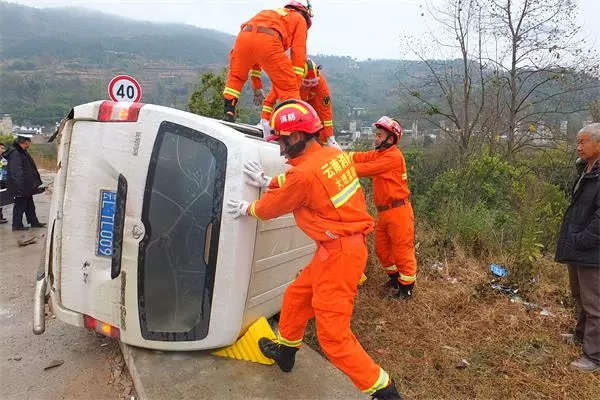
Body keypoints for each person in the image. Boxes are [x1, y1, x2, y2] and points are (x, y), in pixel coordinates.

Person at [226, 100, 403, 399]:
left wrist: (248, 207)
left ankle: (384, 391)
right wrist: (268, 180)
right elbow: (304, 180)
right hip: (337, 250)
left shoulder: (304, 175)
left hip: (341, 256)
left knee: (333, 337)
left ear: (296, 137)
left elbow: (273, 206)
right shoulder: (333, 155)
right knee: (296, 297)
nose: (280, 148)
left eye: (281, 140)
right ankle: (286, 351)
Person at [348, 117, 417, 299]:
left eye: (379, 135)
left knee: (402, 250)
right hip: (385, 212)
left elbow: (364, 169)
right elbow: (361, 157)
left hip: (399, 211)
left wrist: (335, 168)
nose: (376, 138)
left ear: (390, 138)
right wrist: (338, 155)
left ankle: (406, 289)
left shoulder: (393, 157)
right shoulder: (381, 154)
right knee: (382, 249)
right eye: (376, 135)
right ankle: (395, 280)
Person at [555, 123, 600, 373]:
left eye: (583, 142)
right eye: (577, 142)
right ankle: (582, 336)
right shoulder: (586, 169)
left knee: (595, 304)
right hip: (578, 246)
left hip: (592, 251)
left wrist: (582, 239)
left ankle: (594, 357)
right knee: (579, 296)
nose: (579, 147)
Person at [222, 1, 312, 122]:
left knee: (236, 76)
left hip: (243, 37)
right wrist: (295, 81)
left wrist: (256, 86)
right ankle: (293, 123)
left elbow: (256, 55)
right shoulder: (300, 19)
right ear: (304, 13)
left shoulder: (270, 13)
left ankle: (229, 111)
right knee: (288, 87)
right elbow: (298, 51)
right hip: (269, 41)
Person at [259, 58, 339, 148]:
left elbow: (326, 108)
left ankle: (323, 147)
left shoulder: (321, 83)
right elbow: (269, 101)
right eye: (307, 83)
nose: (311, 86)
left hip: (313, 105)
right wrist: (264, 120)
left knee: (319, 126)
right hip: (292, 105)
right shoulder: (286, 79)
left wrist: (330, 137)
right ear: (300, 77)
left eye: (313, 82)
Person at [4, 134, 46, 231]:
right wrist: (20, 187)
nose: (30, 143)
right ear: (25, 142)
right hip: (20, 186)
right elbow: (16, 171)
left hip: (26, 185)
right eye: (29, 141)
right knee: (20, 205)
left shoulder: (22, 152)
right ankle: (17, 225)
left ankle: (33, 222)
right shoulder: (16, 153)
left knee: (29, 205)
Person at [0, 142, 8, 224]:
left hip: (3, 180)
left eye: (3, 148)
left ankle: (0, 216)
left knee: (2, 199)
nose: (3, 150)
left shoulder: (3, 157)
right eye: (1, 148)